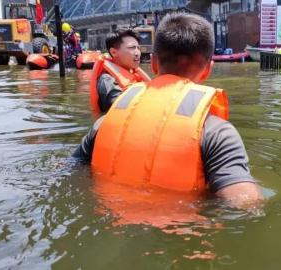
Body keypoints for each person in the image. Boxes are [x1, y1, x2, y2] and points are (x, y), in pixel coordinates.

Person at [74, 12, 263, 208]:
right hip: (179, 231)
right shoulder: (217, 133)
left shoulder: (105, 122)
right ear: (208, 69)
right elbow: (245, 206)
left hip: (110, 223)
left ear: (154, 63)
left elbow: (72, 170)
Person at [89, 28, 150, 113]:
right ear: (114, 52)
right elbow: (120, 110)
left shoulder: (134, 74)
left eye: (138, 48)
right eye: (132, 48)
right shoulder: (107, 80)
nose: (137, 53)